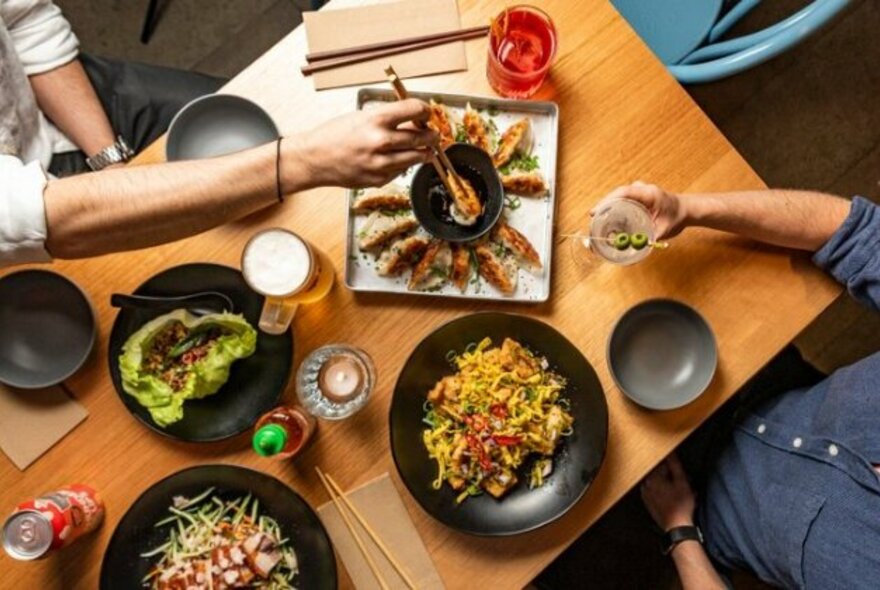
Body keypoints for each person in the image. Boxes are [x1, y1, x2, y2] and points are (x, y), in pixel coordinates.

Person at [1, 0, 437, 266]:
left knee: (257, 112)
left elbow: (25, 20)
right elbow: (33, 218)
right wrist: (308, 160)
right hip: (30, 215)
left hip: (61, 95)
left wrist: (111, 163)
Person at [618, 182, 880, 589]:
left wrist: (679, 530)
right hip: (759, 379)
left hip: (689, 504)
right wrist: (686, 208)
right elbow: (855, 231)